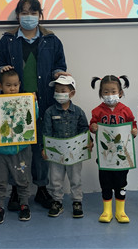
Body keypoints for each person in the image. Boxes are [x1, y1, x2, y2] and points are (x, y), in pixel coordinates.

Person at [0, 0, 68, 210]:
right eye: (24, 13)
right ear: (18, 16)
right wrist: (1, 70)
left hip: (43, 103)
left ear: (40, 15)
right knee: (17, 149)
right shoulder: (8, 40)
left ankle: (41, 188)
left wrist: (59, 73)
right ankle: (17, 189)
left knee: (40, 147)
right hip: (15, 106)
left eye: (33, 13)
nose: (29, 17)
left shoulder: (52, 40)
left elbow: (60, 65)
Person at [0, 69, 38, 224]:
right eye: (8, 85)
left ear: (20, 84)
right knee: (0, 180)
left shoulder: (25, 100)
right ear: (0, 86)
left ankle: (24, 205)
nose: (13, 88)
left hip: (21, 149)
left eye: (15, 85)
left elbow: (33, 118)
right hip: (1, 150)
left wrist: (33, 102)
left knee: (23, 179)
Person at [89, 75, 138, 223]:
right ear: (101, 93)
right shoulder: (97, 111)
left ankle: (120, 211)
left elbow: (132, 124)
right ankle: (107, 211)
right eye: (106, 92)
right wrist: (93, 127)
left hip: (122, 156)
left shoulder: (125, 110)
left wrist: (134, 131)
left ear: (120, 92)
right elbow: (92, 125)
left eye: (113, 91)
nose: (110, 95)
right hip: (105, 156)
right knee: (105, 183)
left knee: (121, 183)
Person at [42, 75, 91, 219]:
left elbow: (84, 129)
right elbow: (46, 132)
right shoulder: (50, 112)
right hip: (56, 153)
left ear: (72, 93)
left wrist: (89, 141)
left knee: (75, 178)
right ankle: (57, 201)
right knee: (55, 179)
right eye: (56, 90)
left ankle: (77, 201)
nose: (59, 93)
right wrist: (44, 148)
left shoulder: (78, 112)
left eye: (63, 91)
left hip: (75, 153)